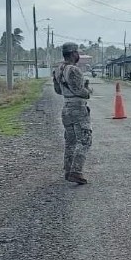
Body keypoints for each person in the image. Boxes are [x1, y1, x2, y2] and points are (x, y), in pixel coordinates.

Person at [52, 42, 93, 184]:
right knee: (85, 139)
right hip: (77, 107)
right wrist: (87, 91)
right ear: (73, 53)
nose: (79, 55)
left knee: (71, 141)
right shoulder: (73, 70)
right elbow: (79, 90)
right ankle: (76, 171)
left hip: (66, 107)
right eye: (77, 53)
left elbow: (57, 90)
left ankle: (68, 169)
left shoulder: (58, 70)